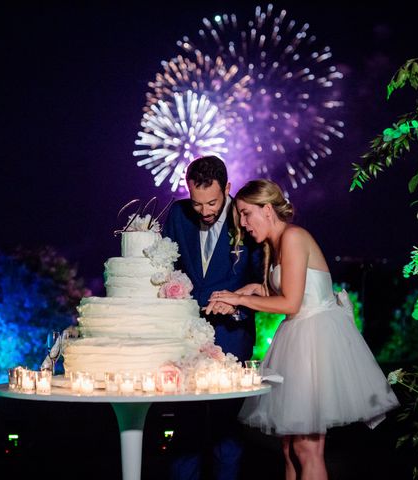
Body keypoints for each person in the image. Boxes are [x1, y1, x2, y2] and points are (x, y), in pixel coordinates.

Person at [205, 179, 400, 480]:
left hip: (315, 341)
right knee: (289, 449)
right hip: (297, 340)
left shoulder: (294, 236)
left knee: (308, 449)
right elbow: (282, 291)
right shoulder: (274, 245)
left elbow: (292, 303)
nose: (242, 224)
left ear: (267, 209)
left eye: (245, 214)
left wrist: (240, 298)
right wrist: (246, 293)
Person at [159, 155, 262, 480]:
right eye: (197, 202)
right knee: (185, 429)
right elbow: (165, 271)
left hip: (233, 337)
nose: (204, 211)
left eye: (212, 202)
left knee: (226, 432)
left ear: (228, 188)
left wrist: (238, 305)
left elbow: (264, 281)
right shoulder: (177, 214)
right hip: (185, 338)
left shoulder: (246, 218)